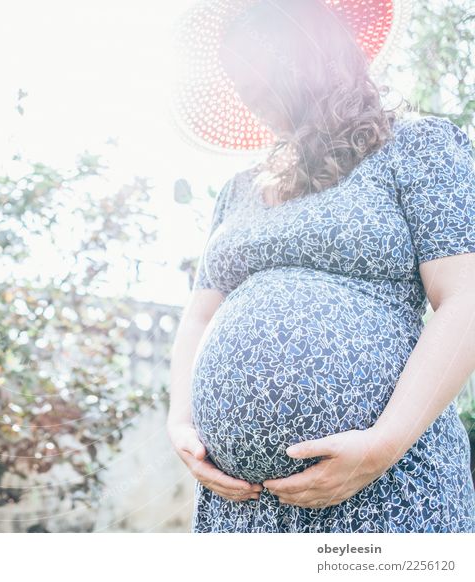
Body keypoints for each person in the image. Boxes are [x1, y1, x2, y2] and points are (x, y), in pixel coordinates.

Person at [167, 0, 475, 532]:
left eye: (260, 77)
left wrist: (382, 446)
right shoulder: (238, 191)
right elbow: (197, 317)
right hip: (240, 509)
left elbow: (465, 297)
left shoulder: (418, 148)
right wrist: (181, 424)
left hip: (388, 484)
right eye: (241, 87)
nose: (250, 98)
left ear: (312, 55)